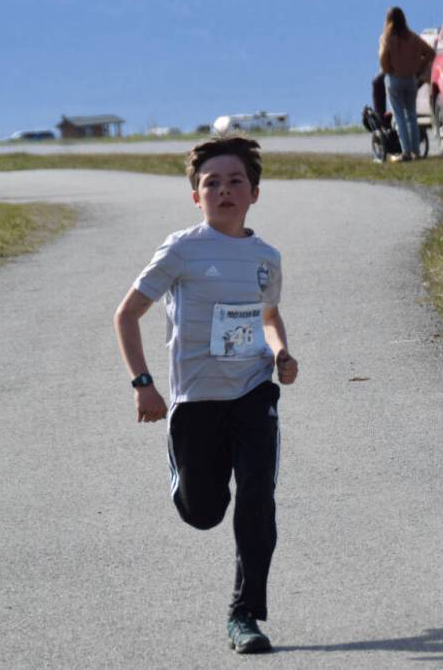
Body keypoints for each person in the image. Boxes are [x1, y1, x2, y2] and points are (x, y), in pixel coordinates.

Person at [114, 136, 299, 654]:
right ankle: (186, 484)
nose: (223, 190)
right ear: (196, 197)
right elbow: (126, 315)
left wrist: (281, 353)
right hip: (195, 401)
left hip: (253, 391)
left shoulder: (266, 257)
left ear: (254, 193)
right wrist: (143, 385)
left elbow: (268, 315)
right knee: (204, 511)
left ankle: (245, 615)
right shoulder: (181, 250)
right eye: (210, 183)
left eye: (235, 181)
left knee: (258, 498)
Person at [378, 6, 435, 162]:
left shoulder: (387, 38)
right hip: (410, 79)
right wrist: (419, 68)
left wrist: (387, 68)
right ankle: (416, 150)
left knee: (399, 116)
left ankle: (406, 151)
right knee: (411, 115)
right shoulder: (413, 38)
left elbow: (383, 57)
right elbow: (430, 53)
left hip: (394, 78)